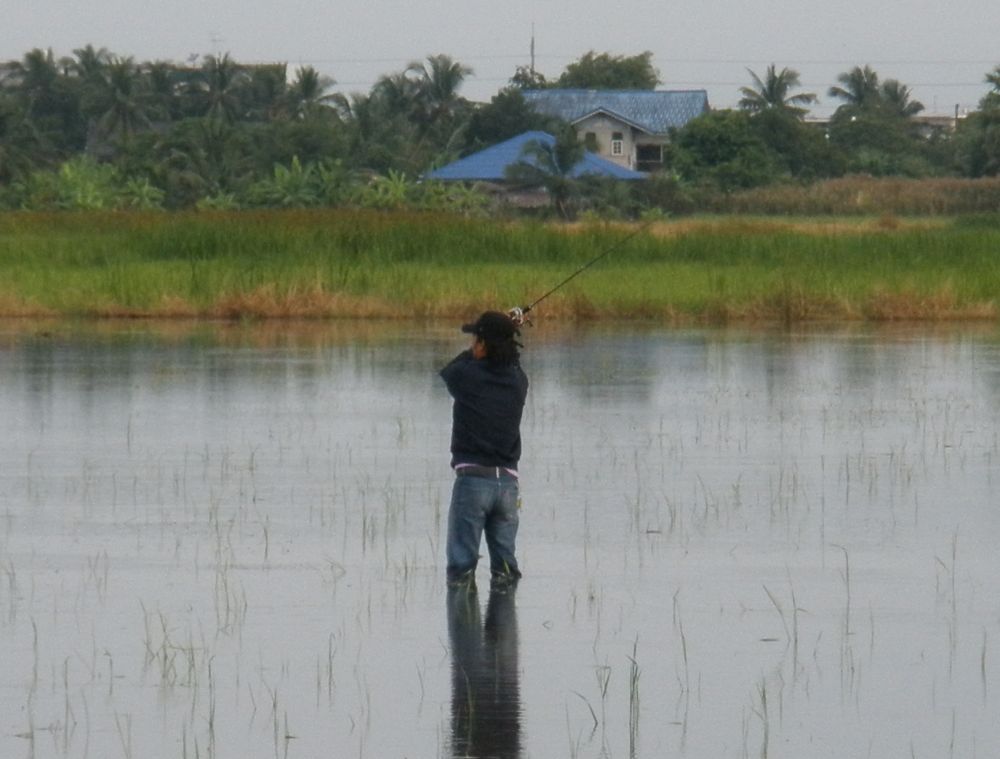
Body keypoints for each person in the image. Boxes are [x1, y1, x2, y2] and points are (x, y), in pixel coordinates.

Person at [440, 310, 528, 588]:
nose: (472, 344)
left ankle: (464, 628)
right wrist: (505, 333)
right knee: (505, 570)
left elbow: (450, 371)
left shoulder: (468, 377)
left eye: (477, 339)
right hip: (507, 486)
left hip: (473, 481)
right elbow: (511, 362)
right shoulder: (518, 382)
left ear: (483, 344)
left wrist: (498, 333)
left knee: (461, 571)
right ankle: (504, 626)